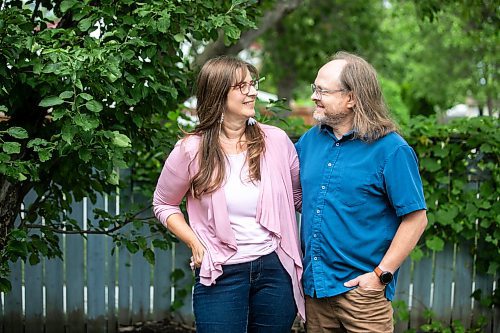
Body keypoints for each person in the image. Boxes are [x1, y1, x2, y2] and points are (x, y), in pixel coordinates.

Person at [153, 56, 304, 332]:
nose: (253, 92)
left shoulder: (277, 142)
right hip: (221, 269)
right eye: (242, 86)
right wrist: (195, 244)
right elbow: (164, 204)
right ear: (218, 94)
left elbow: (299, 198)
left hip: (275, 269)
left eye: (252, 84)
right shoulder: (191, 149)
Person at [295, 51, 428, 333]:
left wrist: (379, 277)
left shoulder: (391, 150)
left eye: (322, 90)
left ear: (352, 98)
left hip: (363, 297)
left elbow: (416, 219)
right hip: (316, 292)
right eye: (314, 88)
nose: (314, 97)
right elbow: (294, 197)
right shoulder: (310, 141)